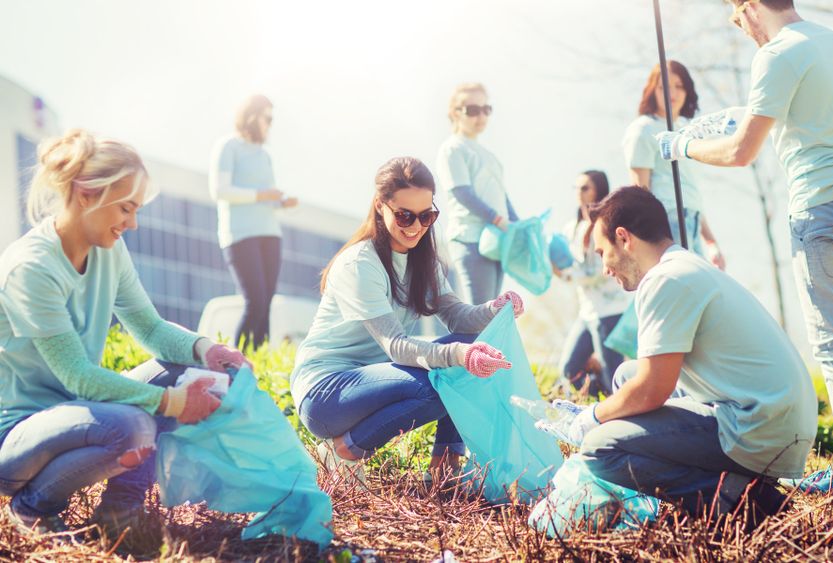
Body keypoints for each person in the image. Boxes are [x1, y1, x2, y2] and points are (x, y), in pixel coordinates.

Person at [656, 0, 833, 493]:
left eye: (738, 19)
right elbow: (815, 114)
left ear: (751, 7)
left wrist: (681, 146)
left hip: (822, 208)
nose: (742, 29)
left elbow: (741, 151)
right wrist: (741, 116)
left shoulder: (777, 53)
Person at [0, 130, 249, 547]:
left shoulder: (109, 249)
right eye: (125, 208)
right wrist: (172, 403)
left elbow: (148, 328)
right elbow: (78, 376)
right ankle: (33, 507)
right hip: (16, 436)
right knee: (133, 427)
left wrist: (208, 350)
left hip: (77, 412)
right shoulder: (32, 268)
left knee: (188, 373)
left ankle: (119, 513)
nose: (132, 224)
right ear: (86, 194)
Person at [539, 187, 816, 520]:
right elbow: (645, 380)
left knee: (600, 448)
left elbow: (652, 390)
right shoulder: (685, 266)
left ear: (624, 238)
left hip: (759, 429)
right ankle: (728, 481)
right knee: (626, 375)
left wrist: (593, 416)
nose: (605, 269)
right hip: (775, 418)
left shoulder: (665, 280)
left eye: (602, 253)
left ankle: (742, 499)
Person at [290, 156, 523, 485]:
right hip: (326, 395)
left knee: (470, 350)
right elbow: (396, 346)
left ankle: (445, 468)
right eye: (404, 215)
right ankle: (344, 450)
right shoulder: (360, 264)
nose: (416, 226)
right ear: (380, 205)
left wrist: (493, 309)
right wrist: (458, 356)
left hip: (375, 383)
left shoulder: (423, 262)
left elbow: (458, 318)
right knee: (443, 383)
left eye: (426, 216)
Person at [209, 94, 298, 350]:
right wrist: (261, 195)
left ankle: (258, 363)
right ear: (251, 116)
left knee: (266, 303)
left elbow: (268, 198)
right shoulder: (228, 146)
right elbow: (220, 191)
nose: (270, 124)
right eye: (267, 118)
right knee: (255, 302)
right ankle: (237, 361)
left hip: (270, 233)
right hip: (240, 235)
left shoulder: (264, 155)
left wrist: (281, 202)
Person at [622, 61, 725, 267]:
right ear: (653, 90)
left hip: (692, 220)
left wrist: (710, 240)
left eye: (679, 86)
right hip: (667, 221)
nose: (673, 93)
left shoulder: (687, 131)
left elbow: (689, 192)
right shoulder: (643, 129)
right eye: (664, 87)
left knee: (701, 282)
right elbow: (640, 192)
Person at [436, 83, 520, 305]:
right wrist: (498, 219)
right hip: (470, 239)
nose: (481, 116)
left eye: (486, 109)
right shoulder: (452, 148)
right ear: (456, 112)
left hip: (497, 239)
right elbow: (462, 193)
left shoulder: (489, 155)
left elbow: (502, 196)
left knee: (492, 312)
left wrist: (517, 225)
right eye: (473, 110)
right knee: (480, 312)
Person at [554, 170, 630, 396]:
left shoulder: (608, 225)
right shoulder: (572, 228)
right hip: (586, 312)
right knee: (568, 370)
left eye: (585, 188)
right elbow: (567, 260)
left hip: (609, 310)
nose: (579, 193)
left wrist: (567, 275)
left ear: (599, 190)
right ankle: (600, 397)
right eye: (576, 188)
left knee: (612, 374)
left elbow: (601, 270)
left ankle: (621, 406)